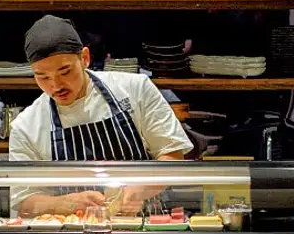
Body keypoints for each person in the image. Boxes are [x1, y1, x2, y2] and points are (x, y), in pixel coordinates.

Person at [10, 15, 193, 217]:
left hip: (145, 223)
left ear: (85, 58)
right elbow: (24, 204)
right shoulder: (26, 126)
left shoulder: (135, 89)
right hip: (73, 233)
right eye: (42, 77)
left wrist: (140, 188)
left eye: (65, 71)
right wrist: (66, 203)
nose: (55, 85)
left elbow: (173, 155)